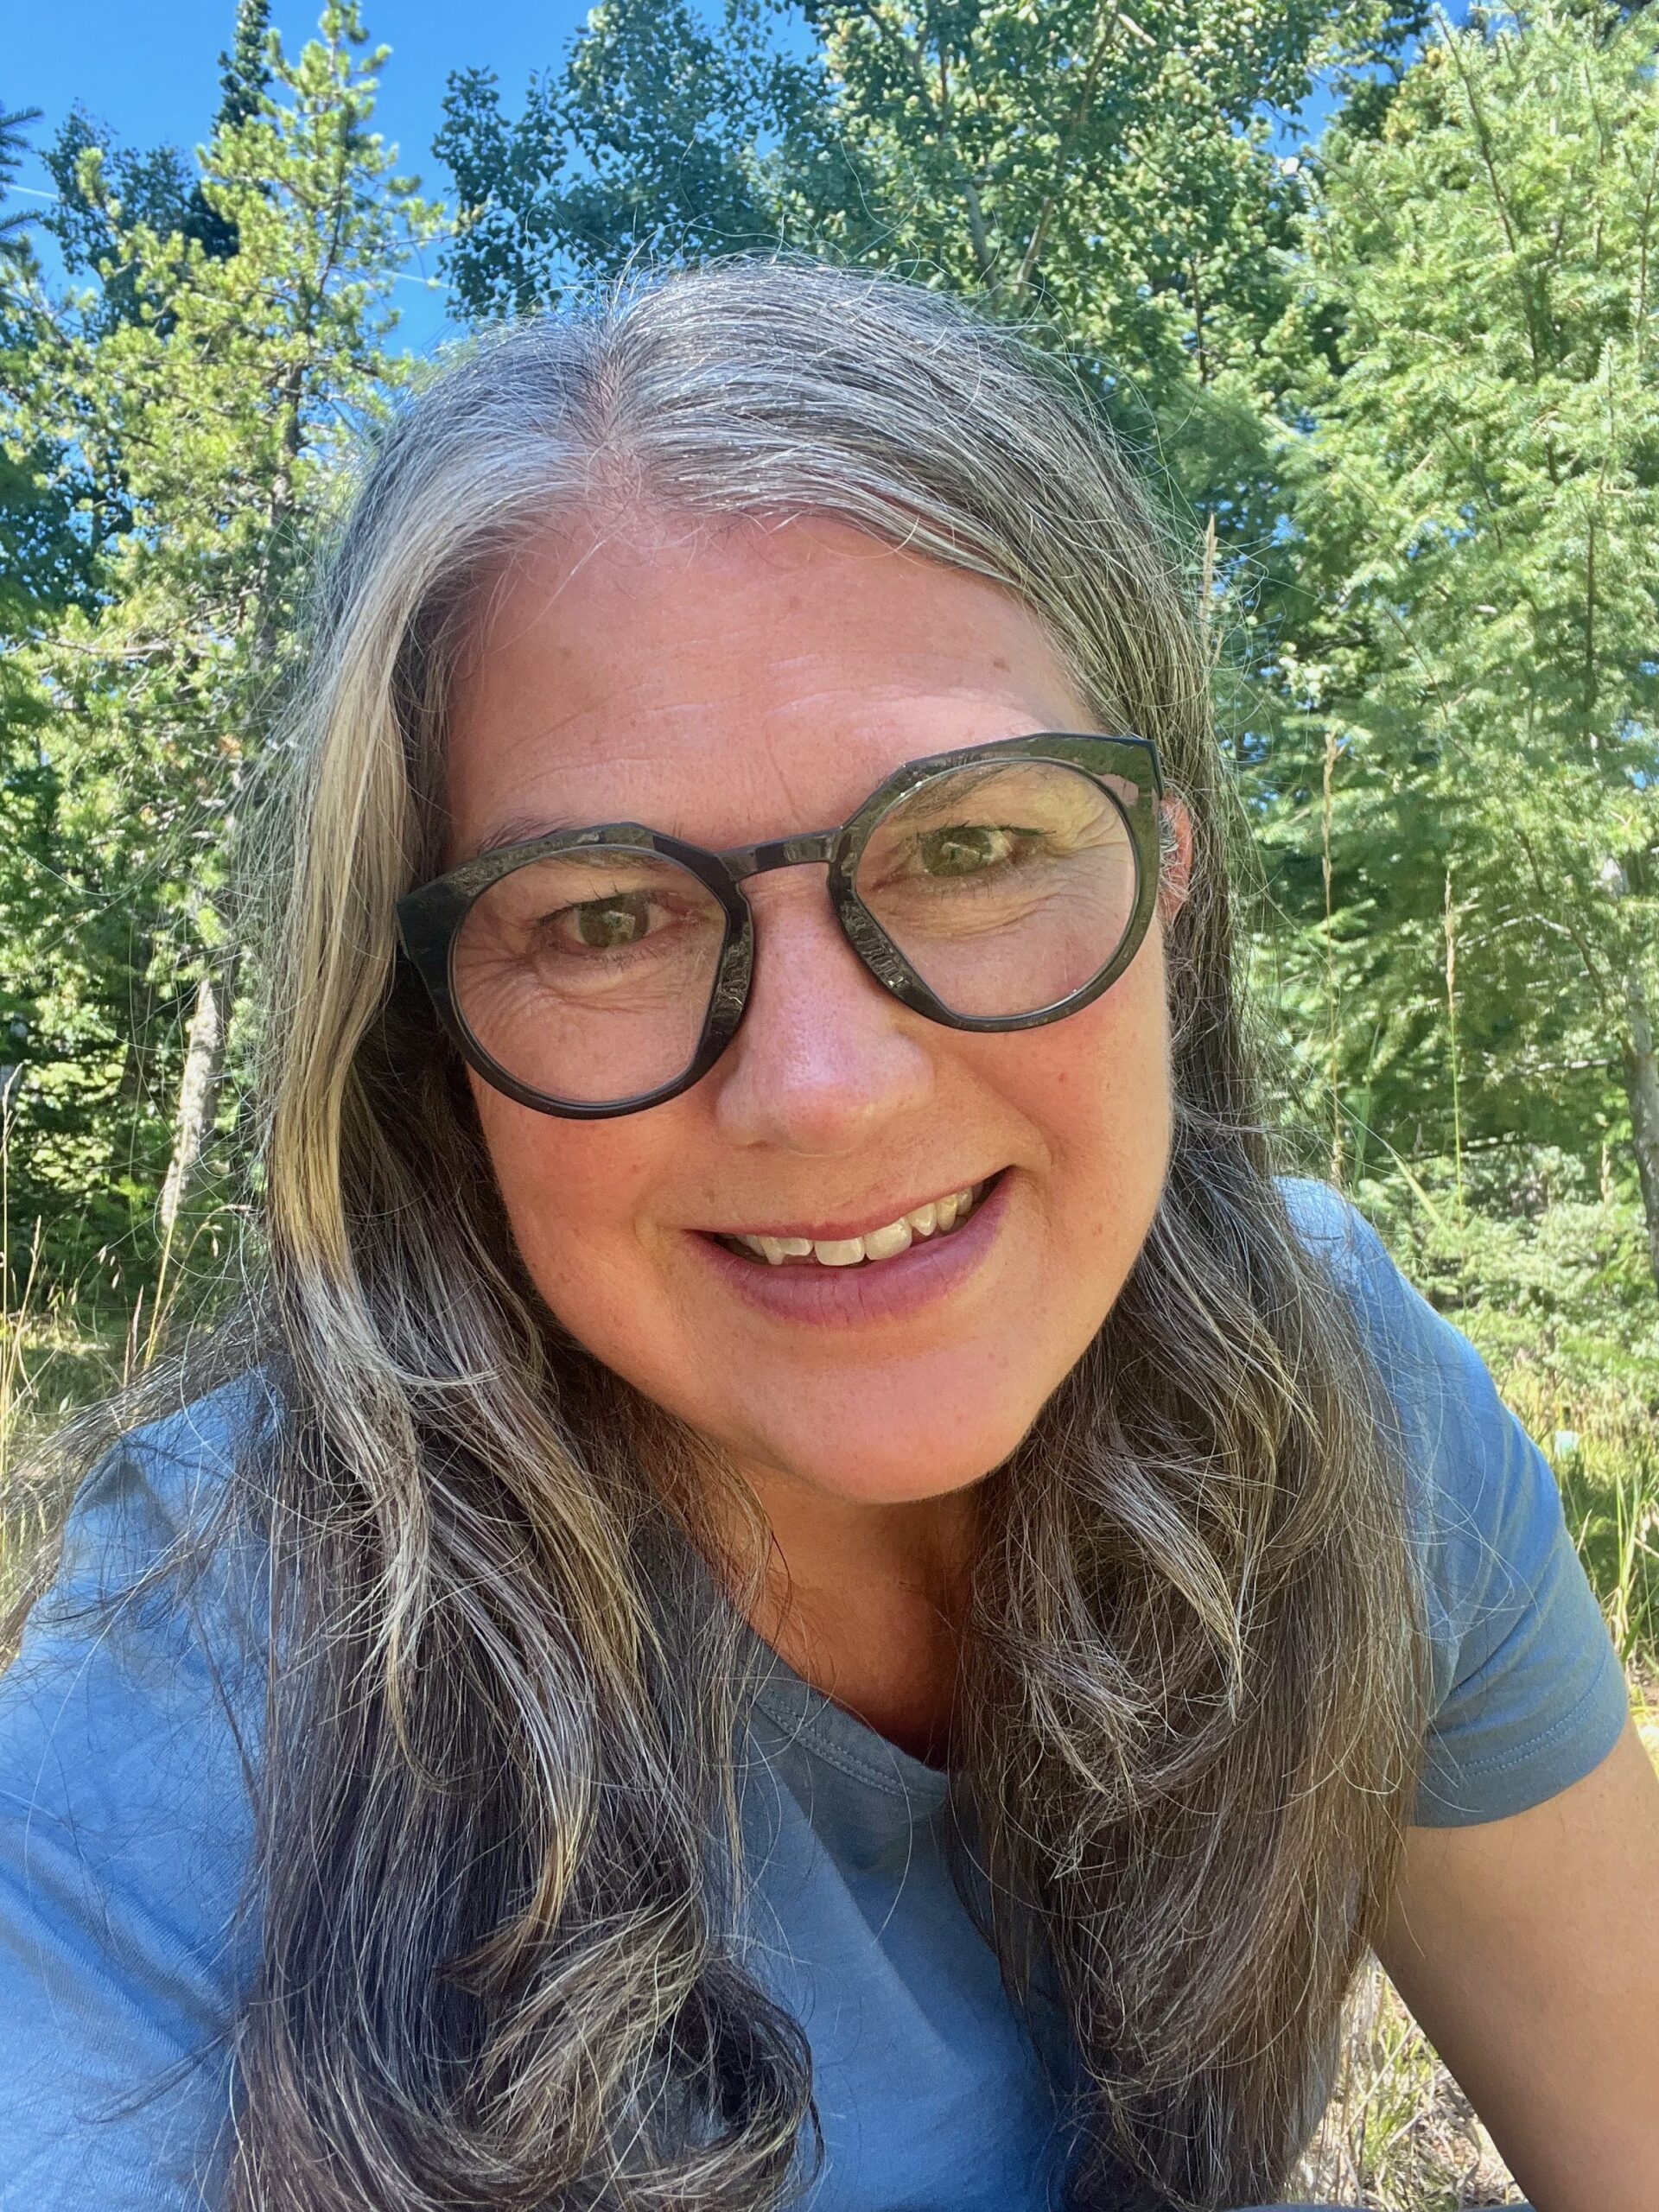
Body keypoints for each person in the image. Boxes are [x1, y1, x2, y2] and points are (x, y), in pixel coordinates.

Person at [0, 258, 1655, 2212]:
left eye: (969, 846)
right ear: (430, 1039)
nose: (822, 1089)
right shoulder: (216, 1669)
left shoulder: (1347, 1394)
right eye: (603, 913)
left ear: (1175, 883)